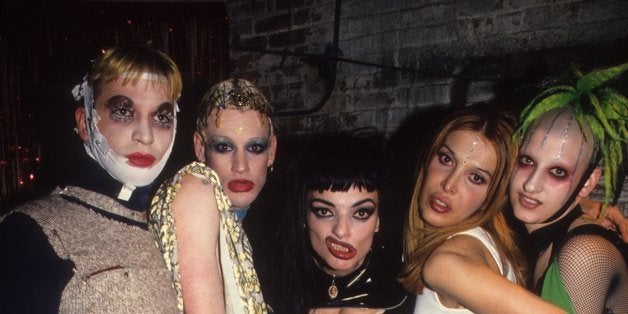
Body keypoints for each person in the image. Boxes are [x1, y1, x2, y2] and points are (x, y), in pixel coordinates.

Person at [0, 43, 182, 312]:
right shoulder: (30, 233)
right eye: (123, 111)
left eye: (161, 117)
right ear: (85, 123)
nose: (146, 135)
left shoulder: (175, 226)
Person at [399, 103, 565, 313]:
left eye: (476, 178)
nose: (449, 185)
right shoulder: (481, 242)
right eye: (446, 159)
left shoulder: (447, 262)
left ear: (492, 197)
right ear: (427, 158)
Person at [149, 78, 276, 313]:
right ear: (200, 147)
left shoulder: (259, 226)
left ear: (272, 151)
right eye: (224, 147)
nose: (241, 166)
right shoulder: (194, 189)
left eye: (255, 148)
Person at [510, 64, 627, 313]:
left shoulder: (583, 255)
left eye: (558, 172)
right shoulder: (537, 235)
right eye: (526, 160)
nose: (530, 185)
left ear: (588, 183)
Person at [268, 132, 410, 314]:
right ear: (303, 215)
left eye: (361, 213)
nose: (341, 231)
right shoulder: (270, 284)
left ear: (378, 220)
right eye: (324, 212)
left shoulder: (404, 291)